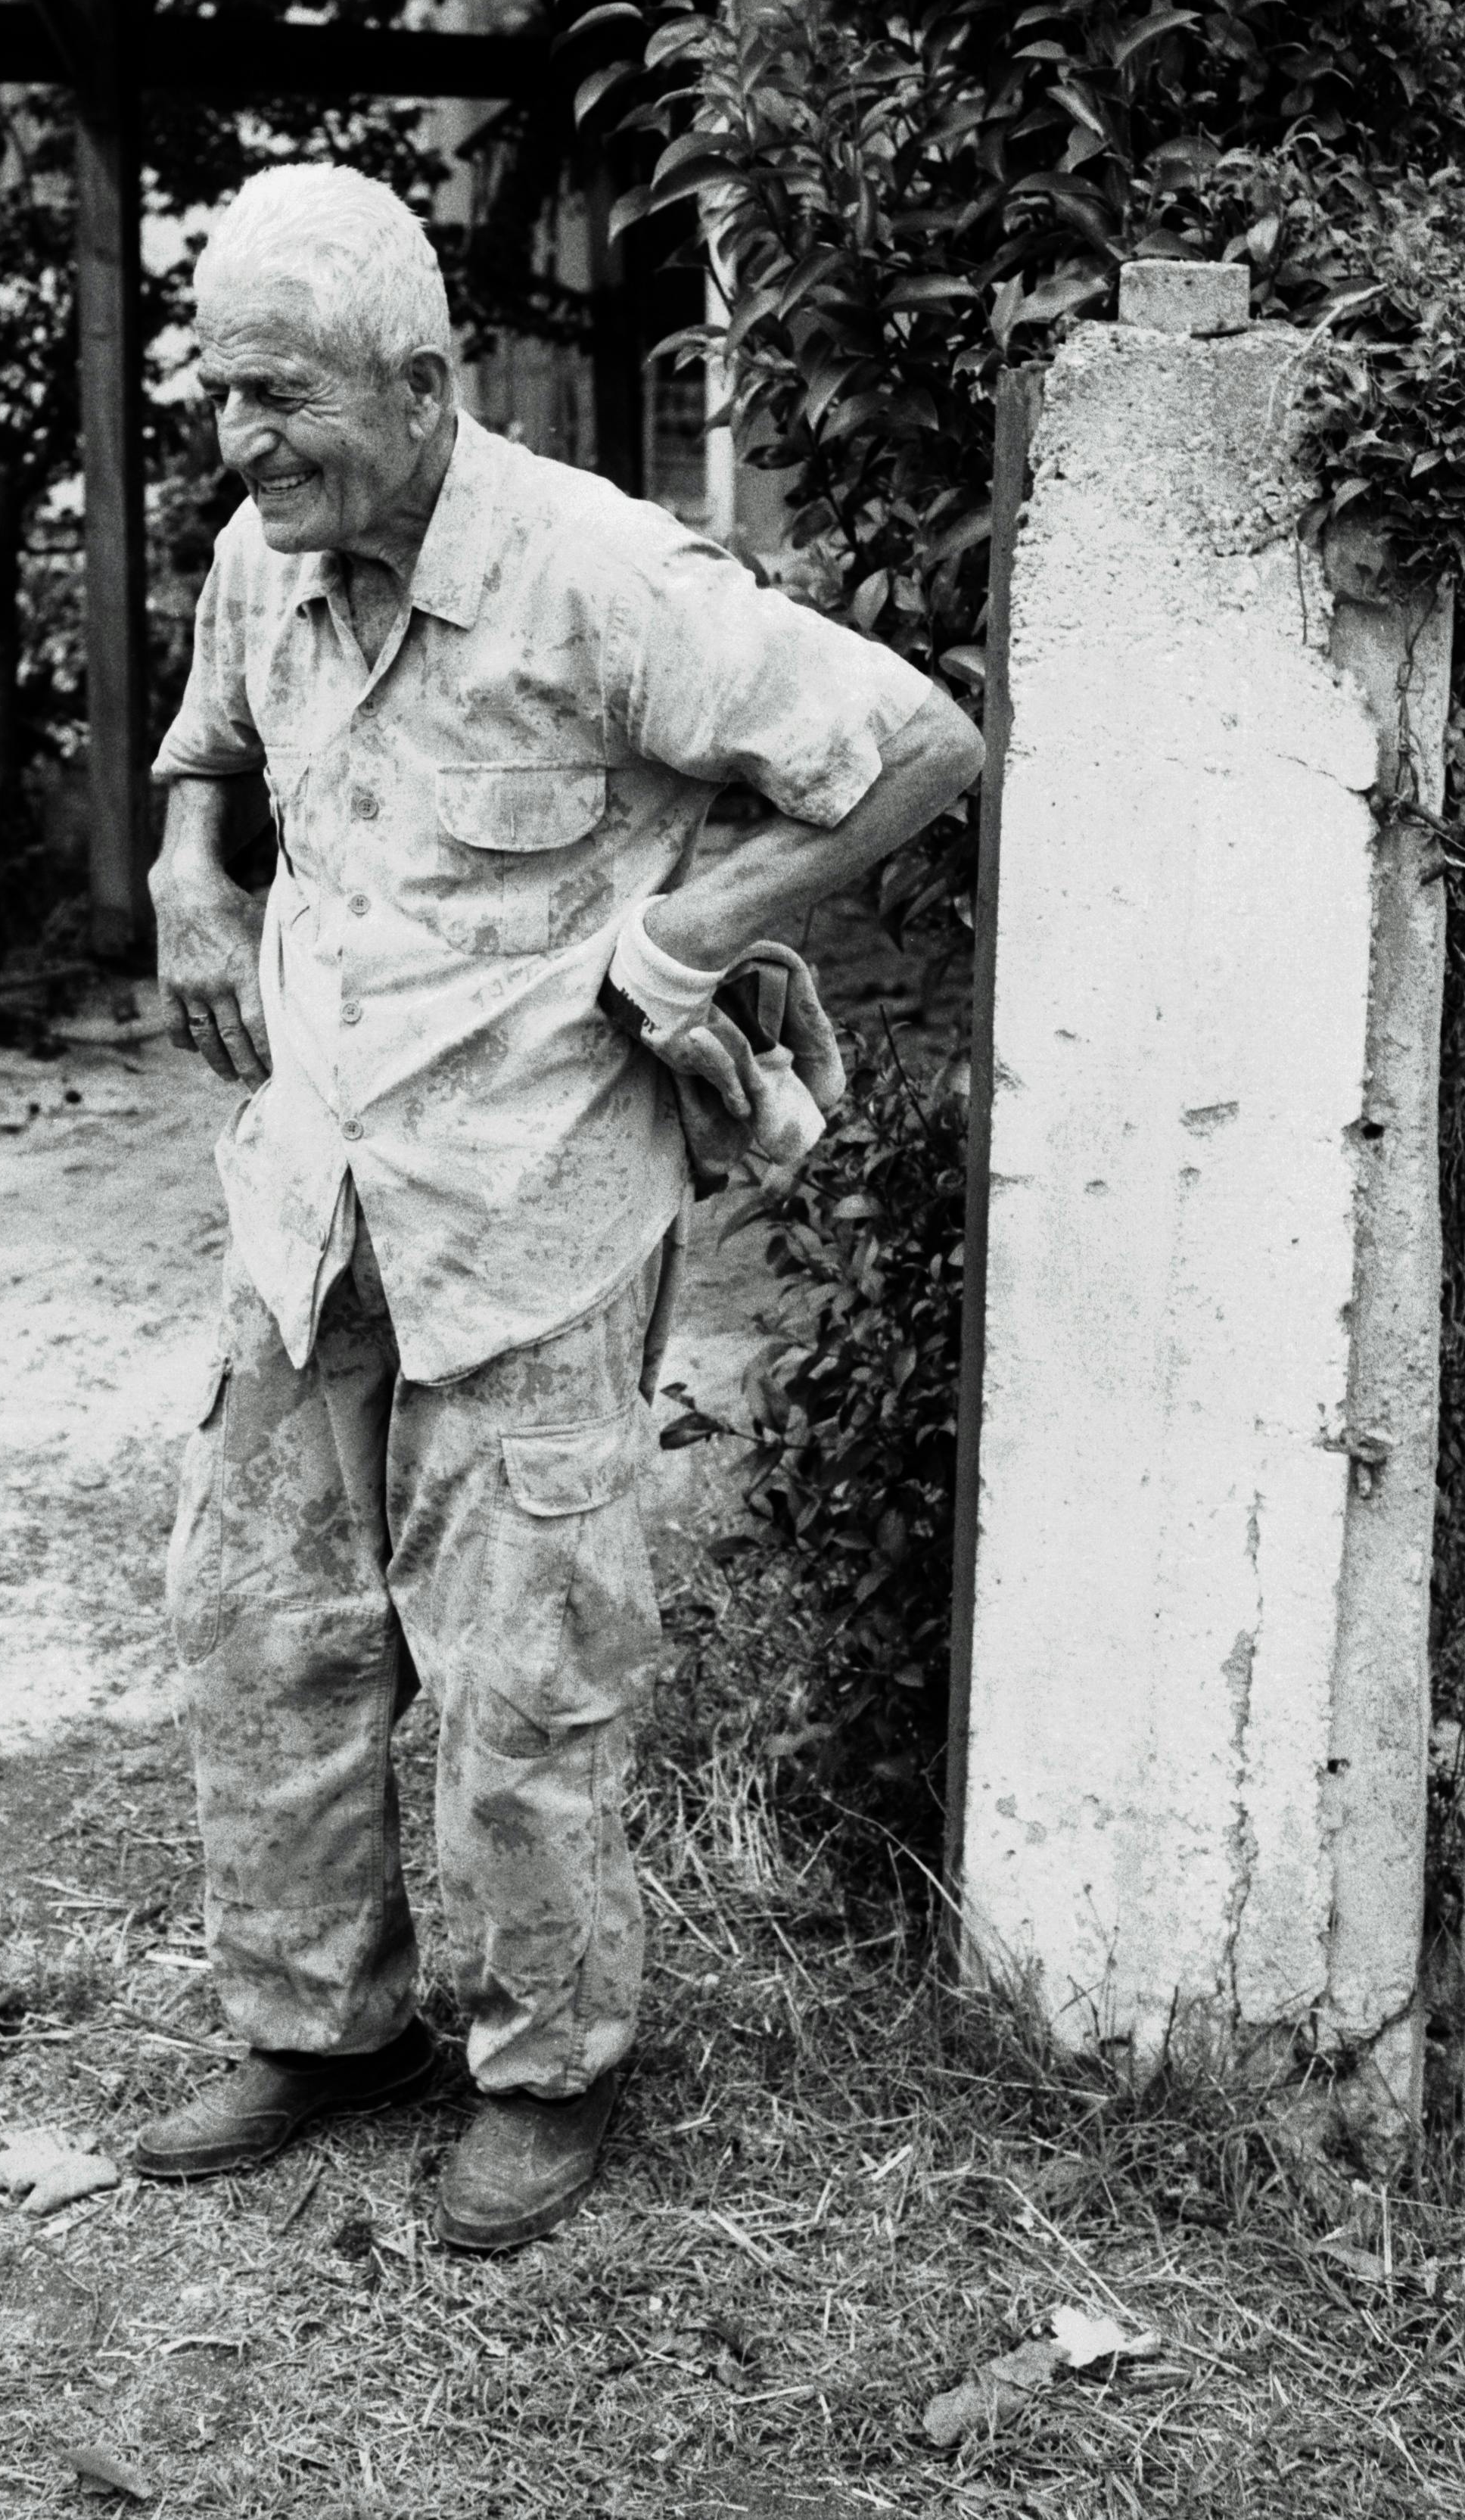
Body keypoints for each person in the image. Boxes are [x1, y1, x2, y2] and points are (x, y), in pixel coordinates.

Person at [138, 162, 983, 2249]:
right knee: (265, 1629)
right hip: (314, 1195)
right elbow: (217, 730)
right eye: (219, 398)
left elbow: (918, 744)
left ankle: (544, 2068)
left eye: (283, 400)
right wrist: (186, 858)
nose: (240, 446)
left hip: (527, 1198)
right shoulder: (274, 548)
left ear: (420, 385)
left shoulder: (603, 573)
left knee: (527, 1668)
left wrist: (699, 928)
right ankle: (324, 2026)